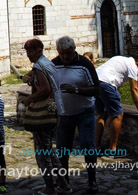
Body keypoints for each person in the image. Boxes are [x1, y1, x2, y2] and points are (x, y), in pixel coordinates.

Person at [52, 36, 100, 194]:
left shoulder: (84, 65)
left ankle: (92, 180)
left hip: (84, 112)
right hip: (64, 114)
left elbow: (95, 89)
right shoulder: (54, 64)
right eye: (62, 54)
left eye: (68, 53)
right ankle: (64, 182)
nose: (65, 57)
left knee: (88, 146)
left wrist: (77, 90)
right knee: (63, 149)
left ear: (74, 50)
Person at [22, 38, 67, 195]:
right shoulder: (48, 63)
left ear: (39, 50)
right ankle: (64, 184)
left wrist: (29, 99)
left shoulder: (39, 66)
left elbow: (45, 90)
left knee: (43, 152)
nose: (28, 54)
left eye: (31, 51)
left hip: (45, 110)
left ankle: (50, 187)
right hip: (55, 107)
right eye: (27, 51)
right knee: (49, 150)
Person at [94, 51, 138, 156]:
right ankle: (113, 150)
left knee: (101, 114)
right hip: (107, 83)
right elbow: (134, 89)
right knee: (118, 115)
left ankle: (96, 147)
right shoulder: (133, 66)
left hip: (95, 82)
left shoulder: (120, 59)